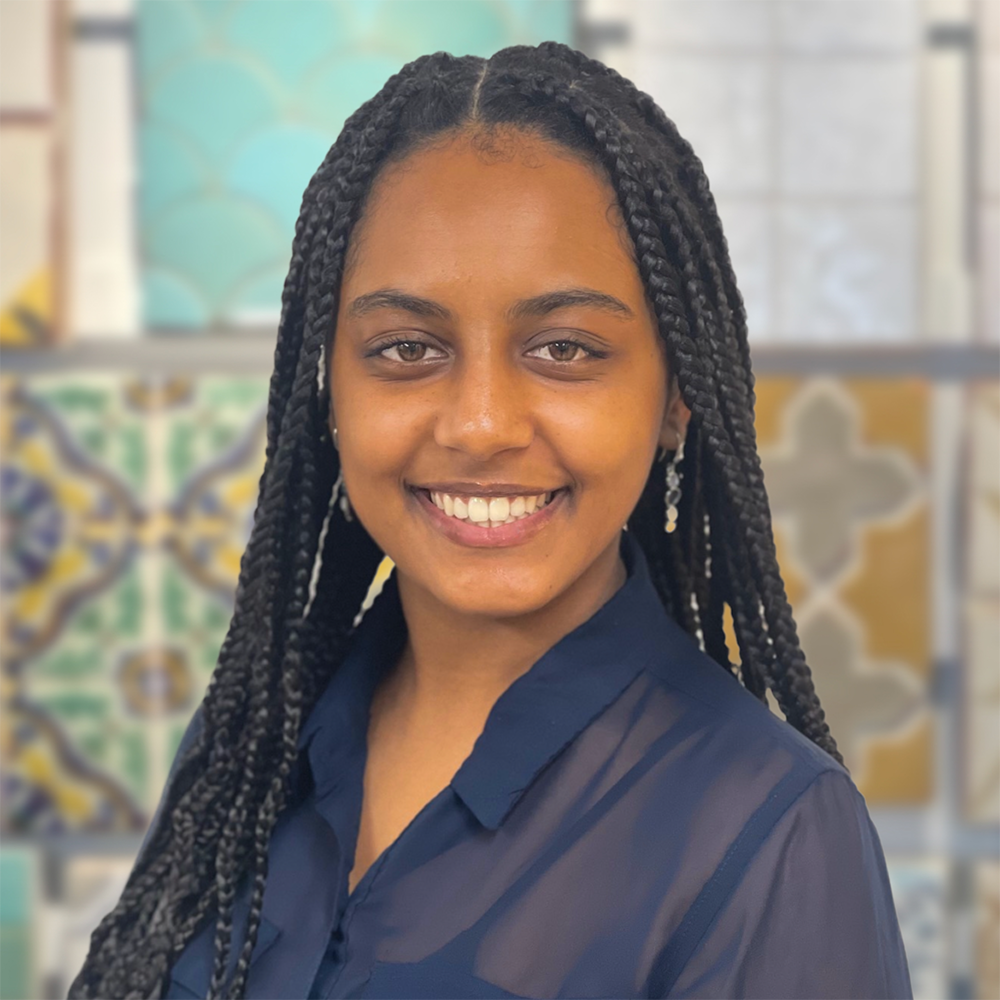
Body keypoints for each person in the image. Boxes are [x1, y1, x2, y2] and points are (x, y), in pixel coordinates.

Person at [69, 43, 913, 1000]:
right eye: (406, 348)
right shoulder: (248, 753)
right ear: (328, 387)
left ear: (676, 393)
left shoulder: (773, 834)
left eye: (565, 348)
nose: (479, 425)